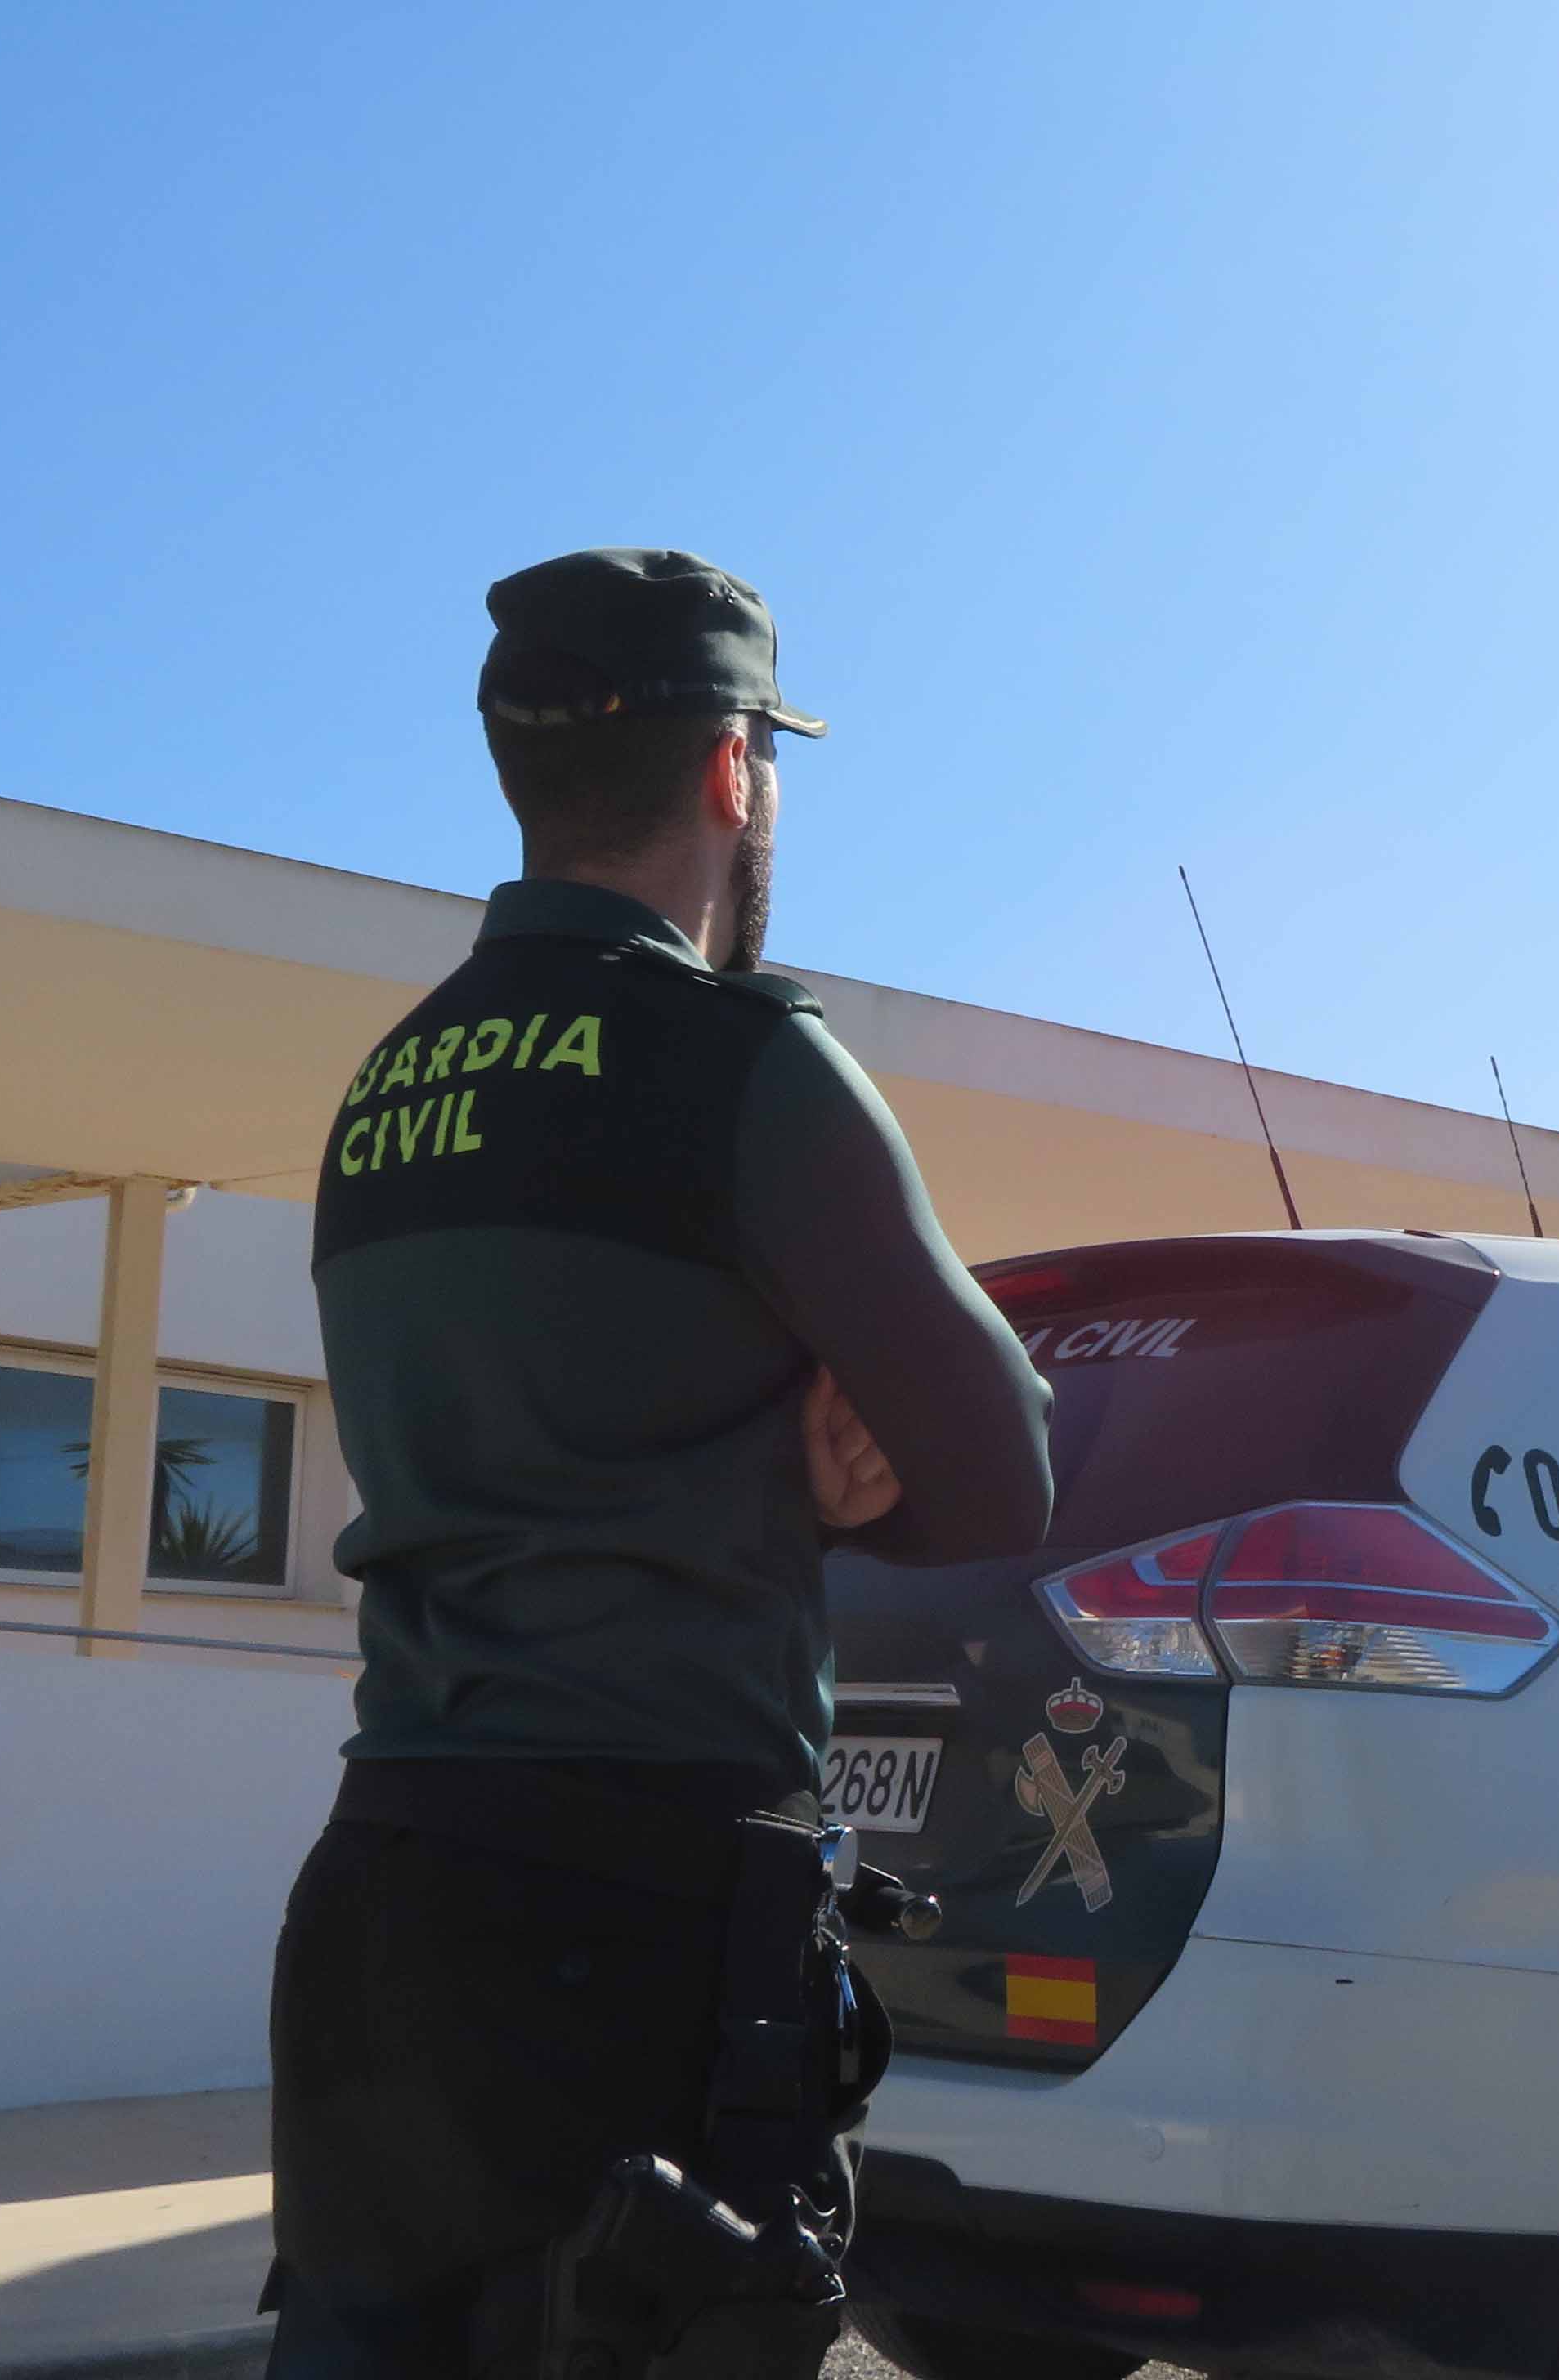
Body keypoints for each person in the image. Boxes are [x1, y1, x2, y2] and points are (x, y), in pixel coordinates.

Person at [262, 547, 1055, 2375]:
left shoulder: (387, 1088)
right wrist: (811, 1474)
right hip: (650, 1918)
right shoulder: (738, 1067)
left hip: (387, 1899)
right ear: (730, 771)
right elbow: (1005, 1468)